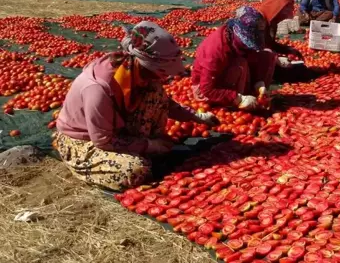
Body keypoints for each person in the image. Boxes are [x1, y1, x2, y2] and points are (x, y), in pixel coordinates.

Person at [53, 22, 218, 191]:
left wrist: (196, 116)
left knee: (155, 92)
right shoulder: (98, 88)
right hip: (85, 141)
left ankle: (144, 151)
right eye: (163, 72)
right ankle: (85, 166)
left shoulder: (138, 72)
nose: (166, 77)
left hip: (115, 131)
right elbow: (103, 140)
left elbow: (164, 103)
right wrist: (150, 146)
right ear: (147, 64)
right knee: (135, 170)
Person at [192, 11, 276, 111]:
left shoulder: (237, 40)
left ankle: (254, 95)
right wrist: (238, 98)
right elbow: (207, 89)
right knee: (240, 64)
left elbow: (253, 56)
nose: (249, 47)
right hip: (206, 90)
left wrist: (259, 82)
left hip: (227, 75)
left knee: (266, 55)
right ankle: (234, 99)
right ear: (240, 37)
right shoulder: (215, 50)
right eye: (248, 44)